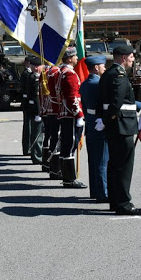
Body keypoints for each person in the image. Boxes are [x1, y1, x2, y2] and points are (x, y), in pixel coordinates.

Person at [96, 45, 141, 216]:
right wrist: (107, 120)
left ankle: (115, 200)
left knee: (115, 165)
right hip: (121, 126)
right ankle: (124, 204)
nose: (133, 60)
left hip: (117, 125)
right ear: (122, 57)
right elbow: (116, 103)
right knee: (123, 167)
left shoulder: (109, 73)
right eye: (131, 57)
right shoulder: (119, 75)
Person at [55, 47, 87, 189]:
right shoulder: (69, 74)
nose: (76, 58)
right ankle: (69, 179)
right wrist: (79, 114)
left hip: (65, 113)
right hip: (70, 114)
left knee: (66, 146)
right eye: (74, 56)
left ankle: (66, 175)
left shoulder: (61, 72)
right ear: (69, 59)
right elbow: (72, 96)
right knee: (69, 146)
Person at [80, 55, 109, 202]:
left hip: (90, 123)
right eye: (103, 66)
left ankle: (95, 190)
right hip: (99, 123)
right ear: (97, 68)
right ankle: (102, 192)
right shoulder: (99, 84)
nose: (105, 68)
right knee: (102, 159)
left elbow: (85, 107)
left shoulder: (84, 84)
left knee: (93, 159)